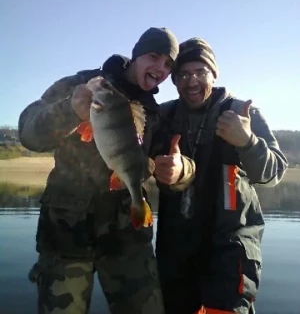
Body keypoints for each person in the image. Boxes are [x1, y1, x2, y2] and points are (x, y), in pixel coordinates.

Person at [18, 27, 194, 314]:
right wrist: (69, 110)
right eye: (154, 57)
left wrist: (180, 170)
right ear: (136, 56)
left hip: (128, 240)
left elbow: (178, 165)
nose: (160, 69)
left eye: (168, 65)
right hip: (65, 234)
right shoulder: (82, 85)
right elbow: (28, 131)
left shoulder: (155, 114)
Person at [153, 37, 288, 314]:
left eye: (200, 72)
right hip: (176, 250)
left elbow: (273, 173)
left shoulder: (241, 112)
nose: (192, 81)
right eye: (184, 74)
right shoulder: (163, 116)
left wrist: (247, 141)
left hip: (230, 248)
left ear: (214, 74)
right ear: (175, 80)